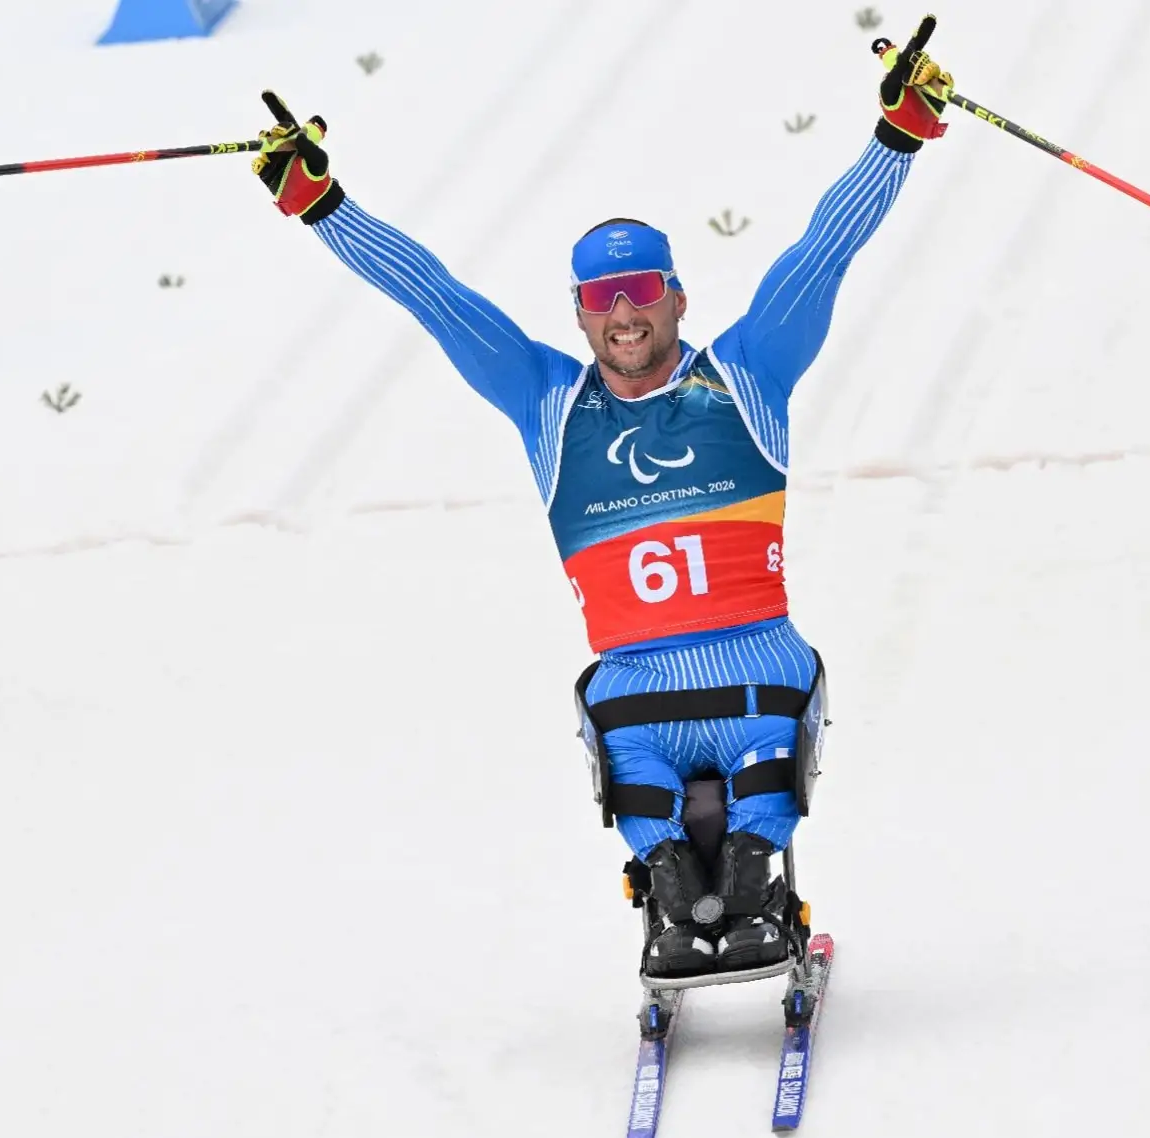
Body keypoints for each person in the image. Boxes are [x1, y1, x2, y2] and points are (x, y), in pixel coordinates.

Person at [251, 25, 953, 976]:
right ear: (579, 312)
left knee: (758, 761)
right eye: (602, 296)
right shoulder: (548, 402)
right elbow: (435, 297)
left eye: (642, 289)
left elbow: (822, 253)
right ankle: (674, 890)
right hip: (638, 691)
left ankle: (749, 882)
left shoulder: (745, 375)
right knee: (634, 760)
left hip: (754, 670)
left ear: (678, 298)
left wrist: (896, 139)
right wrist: (322, 206)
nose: (624, 313)